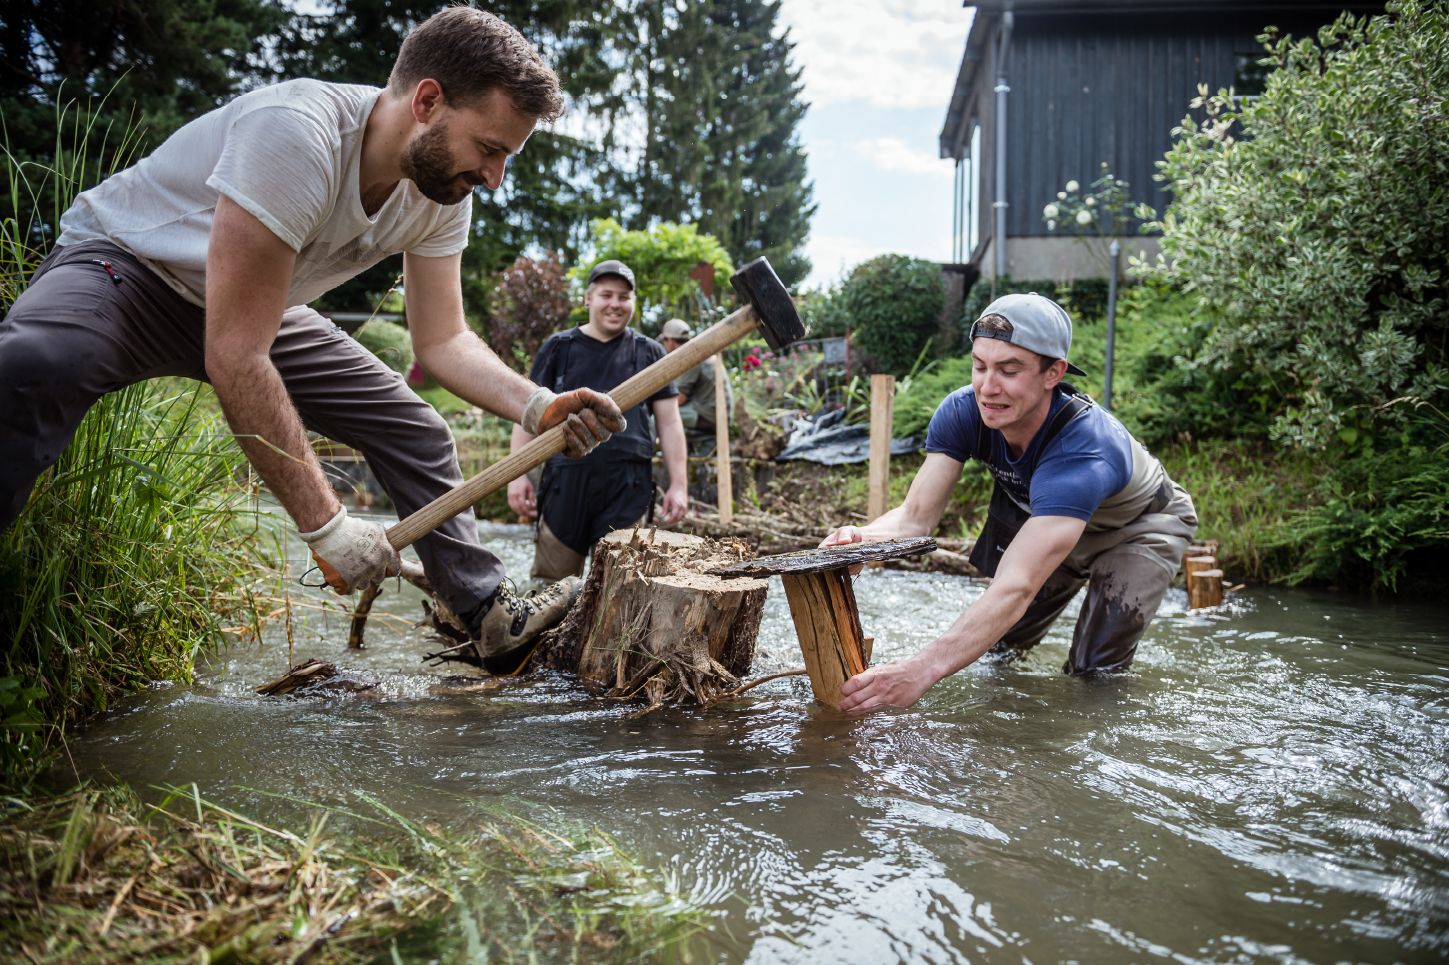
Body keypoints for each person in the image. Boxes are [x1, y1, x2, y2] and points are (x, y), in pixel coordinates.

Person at [0, 8, 626, 670]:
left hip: (255, 300)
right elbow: (236, 355)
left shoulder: (441, 192)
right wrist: (327, 528)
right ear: (427, 101)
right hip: (131, 268)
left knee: (416, 430)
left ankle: (487, 615)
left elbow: (441, 341)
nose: (495, 177)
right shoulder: (296, 134)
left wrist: (537, 405)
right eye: (491, 148)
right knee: (33, 363)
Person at [821, 292, 1198, 712]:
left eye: (1009, 370)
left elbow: (1016, 587)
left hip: (1139, 528)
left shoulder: (1084, 450)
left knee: (1093, 672)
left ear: (1053, 372)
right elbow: (914, 517)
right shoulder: (963, 412)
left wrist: (920, 670)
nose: (987, 387)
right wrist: (863, 537)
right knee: (997, 646)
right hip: (1050, 521)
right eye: (979, 366)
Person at [507, 260, 689, 580]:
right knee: (552, 587)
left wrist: (679, 484)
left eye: (624, 297)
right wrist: (517, 476)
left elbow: (670, 423)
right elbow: (529, 413)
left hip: (628, 486)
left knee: (623, 587)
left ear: (633, 303)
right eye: (607, 295)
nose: (615, 304)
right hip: (565, 483)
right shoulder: (559, 348)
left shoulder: (651, 353)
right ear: (588, 299)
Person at [659, 317, 732, 448]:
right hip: (719, 414)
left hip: (714, 418)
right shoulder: (697, 352)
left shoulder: (690, 357)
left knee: (660, 414)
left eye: (664, 340)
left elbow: (679, 400)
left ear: (670, 341)